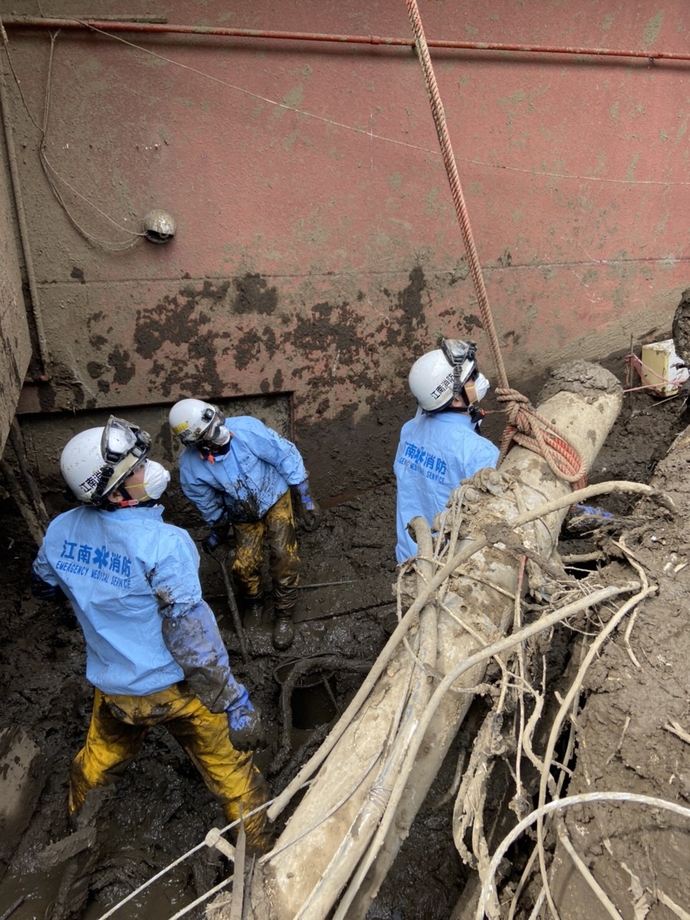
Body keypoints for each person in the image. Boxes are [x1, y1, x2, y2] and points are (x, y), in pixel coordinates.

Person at [31, 417, 271, 852]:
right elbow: (191, 639)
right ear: (117, 492)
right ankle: (258, 852)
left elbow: (44, 585)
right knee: (232, 776)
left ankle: (76, 831)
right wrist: (234, 700)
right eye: (137, 468)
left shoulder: (60, 531)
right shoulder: (166, 543)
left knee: (95, 766)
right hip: (178, 690)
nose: (150, 470)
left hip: (115, 689)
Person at [168, 399, 319, 651]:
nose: (220, 431)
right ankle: (255, 602)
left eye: (218, 423)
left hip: (275, 496)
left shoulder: (248, 430)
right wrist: (218, 529)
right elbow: (206, 501)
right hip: (240, 512)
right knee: (244, 566)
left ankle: (284, 613)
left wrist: (305, 497)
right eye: (210, 432)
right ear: (196, 443)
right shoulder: (191, 467)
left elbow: (285, 455)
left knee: (285, 556)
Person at [394, 339, 500, 563]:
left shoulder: (409, 430)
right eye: (472, 378)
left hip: (409, 556)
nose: (477, 382)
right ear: (456, 398)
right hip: (448, 567)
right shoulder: (480, 453)